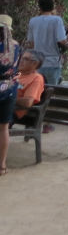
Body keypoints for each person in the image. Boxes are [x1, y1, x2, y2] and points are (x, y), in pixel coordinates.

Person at [27, 0, 68, 85]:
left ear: (40, 7)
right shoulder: (57, 20)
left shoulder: (33, 21)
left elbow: (31, 43)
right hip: (53, 62)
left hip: (38, 62)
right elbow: (62, 40)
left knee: (38, 91)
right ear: (52, 7)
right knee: (52, 91)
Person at [0, 14, 21, 176]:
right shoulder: (15, 46)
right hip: (10, 88)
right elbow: (16, 69)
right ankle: (2, 165)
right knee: (3, 128)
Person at [14, 50, 45, 124]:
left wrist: (7, 99)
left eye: (25, 59)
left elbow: (27, 102)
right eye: (21, 58)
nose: (20, 61)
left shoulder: (36, 78)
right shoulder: (16, 74)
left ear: (35, 63)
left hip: (14, 112)